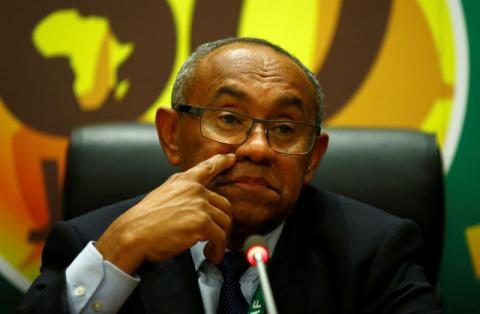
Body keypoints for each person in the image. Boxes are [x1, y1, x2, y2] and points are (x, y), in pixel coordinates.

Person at [18, 37, 442, 314]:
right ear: (171, 135)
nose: (257, 148)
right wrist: (115, 255)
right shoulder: (93, 241)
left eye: (285, 129)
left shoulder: (373, 252)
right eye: (228, 118)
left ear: (313, 159)